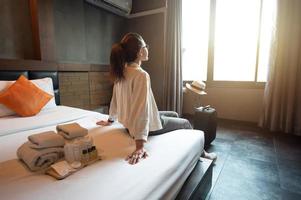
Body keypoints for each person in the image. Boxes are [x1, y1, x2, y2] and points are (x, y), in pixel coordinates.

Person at [96, 33, 216, 165]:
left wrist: (110, 120)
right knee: (186, 123)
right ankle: (203, 154)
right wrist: (140, 146)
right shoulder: (141, 75)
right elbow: (141, 109)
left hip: (128, 126)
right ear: (140, 52)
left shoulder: (121, 72)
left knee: (173, 114)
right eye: (145, 45)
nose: (147, 48)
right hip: (137, 129)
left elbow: (115, 100)